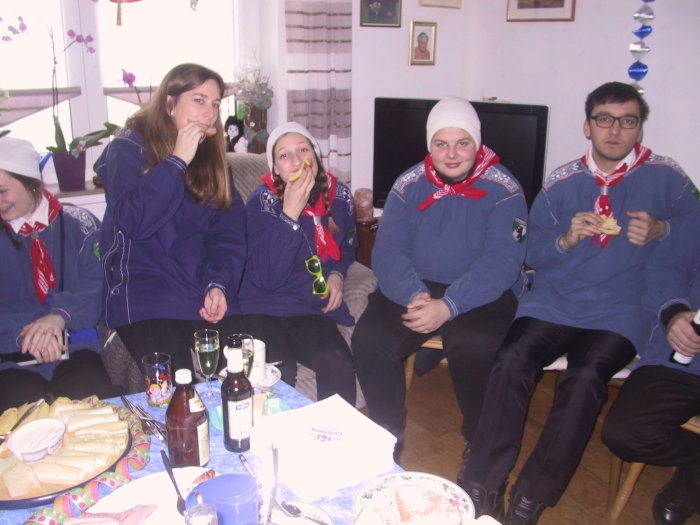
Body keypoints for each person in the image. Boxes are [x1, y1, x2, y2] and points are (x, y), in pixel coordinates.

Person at [457, 81, 700, 525]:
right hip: (554, 301)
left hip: (623, 309)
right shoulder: (560, 182)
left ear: (639, 129)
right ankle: (483, 485)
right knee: (511, 358)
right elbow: (529, 249)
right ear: (587, 126)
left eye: (627, 121)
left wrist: (662, 230)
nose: (615, 130)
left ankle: (531, 498)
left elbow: (694, 232)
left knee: (586, 376)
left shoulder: (669, 178)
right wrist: (566, 240)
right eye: (605, 120)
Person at [352, 96, 529, 460]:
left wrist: (449, 306)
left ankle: (480, 444)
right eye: (441, 144)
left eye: (462, 143)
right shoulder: (407, 184)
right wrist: (414, 295)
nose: (451, 154)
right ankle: (387, 435)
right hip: (418, 284)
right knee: (370, 339)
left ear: (476, 143)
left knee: (474, 344)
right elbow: (388, 252)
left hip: (483, 289)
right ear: (429, 144)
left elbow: (502, 261)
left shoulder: (506, 190)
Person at [96, 63, 247, 378]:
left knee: (242, 376)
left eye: (215, 104)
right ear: (170, 104)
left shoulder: (212, 159)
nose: (209, 114)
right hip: (146, 294)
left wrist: (219, 284)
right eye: (199, 100)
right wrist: (177, 161)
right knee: (179, 389)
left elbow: (228, 234)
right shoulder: (127, 148)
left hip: (198, 289)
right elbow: (134, 221)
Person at [0, 137, 124, 411]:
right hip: (11, 360)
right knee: (20, 420)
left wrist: (59, 316)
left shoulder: (80, 224)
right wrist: (26, 337)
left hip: (77, 352)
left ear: (30, 181)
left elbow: (101, 281)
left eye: (2, 191)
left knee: (95, 412)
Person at [239, 122, 358, 404]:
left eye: (303, 150)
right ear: (275, 170)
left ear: (315, 156)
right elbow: (267, 278)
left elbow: (347, 247)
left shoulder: (340, 197)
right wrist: (290, 214)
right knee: (277, 373)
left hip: (310, 311)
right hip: (262, 308)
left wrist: (337, 274)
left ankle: (335, 432)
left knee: (337, 362)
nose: (296, 161)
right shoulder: (261, 202)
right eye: (284, 155)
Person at [602, 210, 700, 525]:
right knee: (625, 434)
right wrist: (674, 313)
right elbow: (668, 266)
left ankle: (690, 484)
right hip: (684, 354)